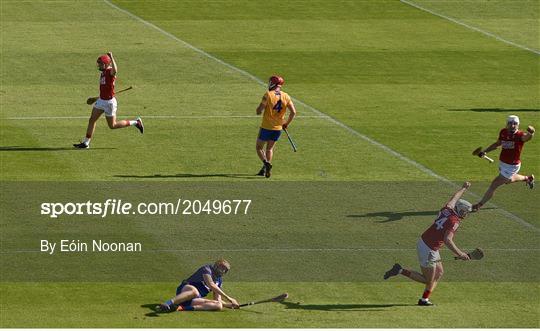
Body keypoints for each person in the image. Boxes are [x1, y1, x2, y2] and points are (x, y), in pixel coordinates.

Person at [383, 182, 473, 306]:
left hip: (428, 245)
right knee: (427, 280)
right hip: (429, 249)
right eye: (466, 212)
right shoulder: (454, 222)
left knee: (439, 273)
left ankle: (424, 299)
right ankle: (400, 271)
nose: (466, 214)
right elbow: (448, 240)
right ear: (461, 211)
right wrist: (460, 253)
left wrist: (464, 188)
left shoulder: (447, 210)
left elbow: (454, 198)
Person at [73, 52, 143, 149]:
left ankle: (136, 122)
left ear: (106, 64)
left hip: (109, 103)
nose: (99, 65)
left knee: (112, 125)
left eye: (101, 64)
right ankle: (86, 143)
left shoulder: (110, 72)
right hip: (101, 100)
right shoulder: (103, 72)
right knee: (92, 120)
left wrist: (112, 57)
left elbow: (115, 71)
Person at [472, 115, 535, 211]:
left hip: (511, 166)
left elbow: (527, 138)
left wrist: (531, 133)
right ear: (507, 124)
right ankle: (527, 178)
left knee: (494, 185)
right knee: (508, 181)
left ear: (518, 125)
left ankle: (479, 205)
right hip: (503, 163)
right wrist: (485, 151)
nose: (512, 125)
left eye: (515, 123)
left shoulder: (520, 135)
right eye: (510, 123)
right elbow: (498, 144)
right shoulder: (503, 132)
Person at [156, 259, 240, 312]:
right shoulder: (206, 269)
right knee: (195, 292)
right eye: (221, 268)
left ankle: (181, 308)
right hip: (185, 290)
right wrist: (229, 298)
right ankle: (168, 303)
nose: (222, 271)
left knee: (218, 305)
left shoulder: (219, 281)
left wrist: (229, 305)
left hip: (195, 299)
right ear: (216, 266)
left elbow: (218, 300)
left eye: (225, 270)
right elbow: (211, 285)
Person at [255, 75, 297, 178]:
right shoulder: (286, 96)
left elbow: (259, 110)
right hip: (278, 128)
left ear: (272, 83)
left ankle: (265, 163)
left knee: (259, 147)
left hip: (266, 126)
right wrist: (286, 123)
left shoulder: (268, 95)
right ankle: (265, 168)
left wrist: (259, 110)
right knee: (270, 149)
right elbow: (293, 112)